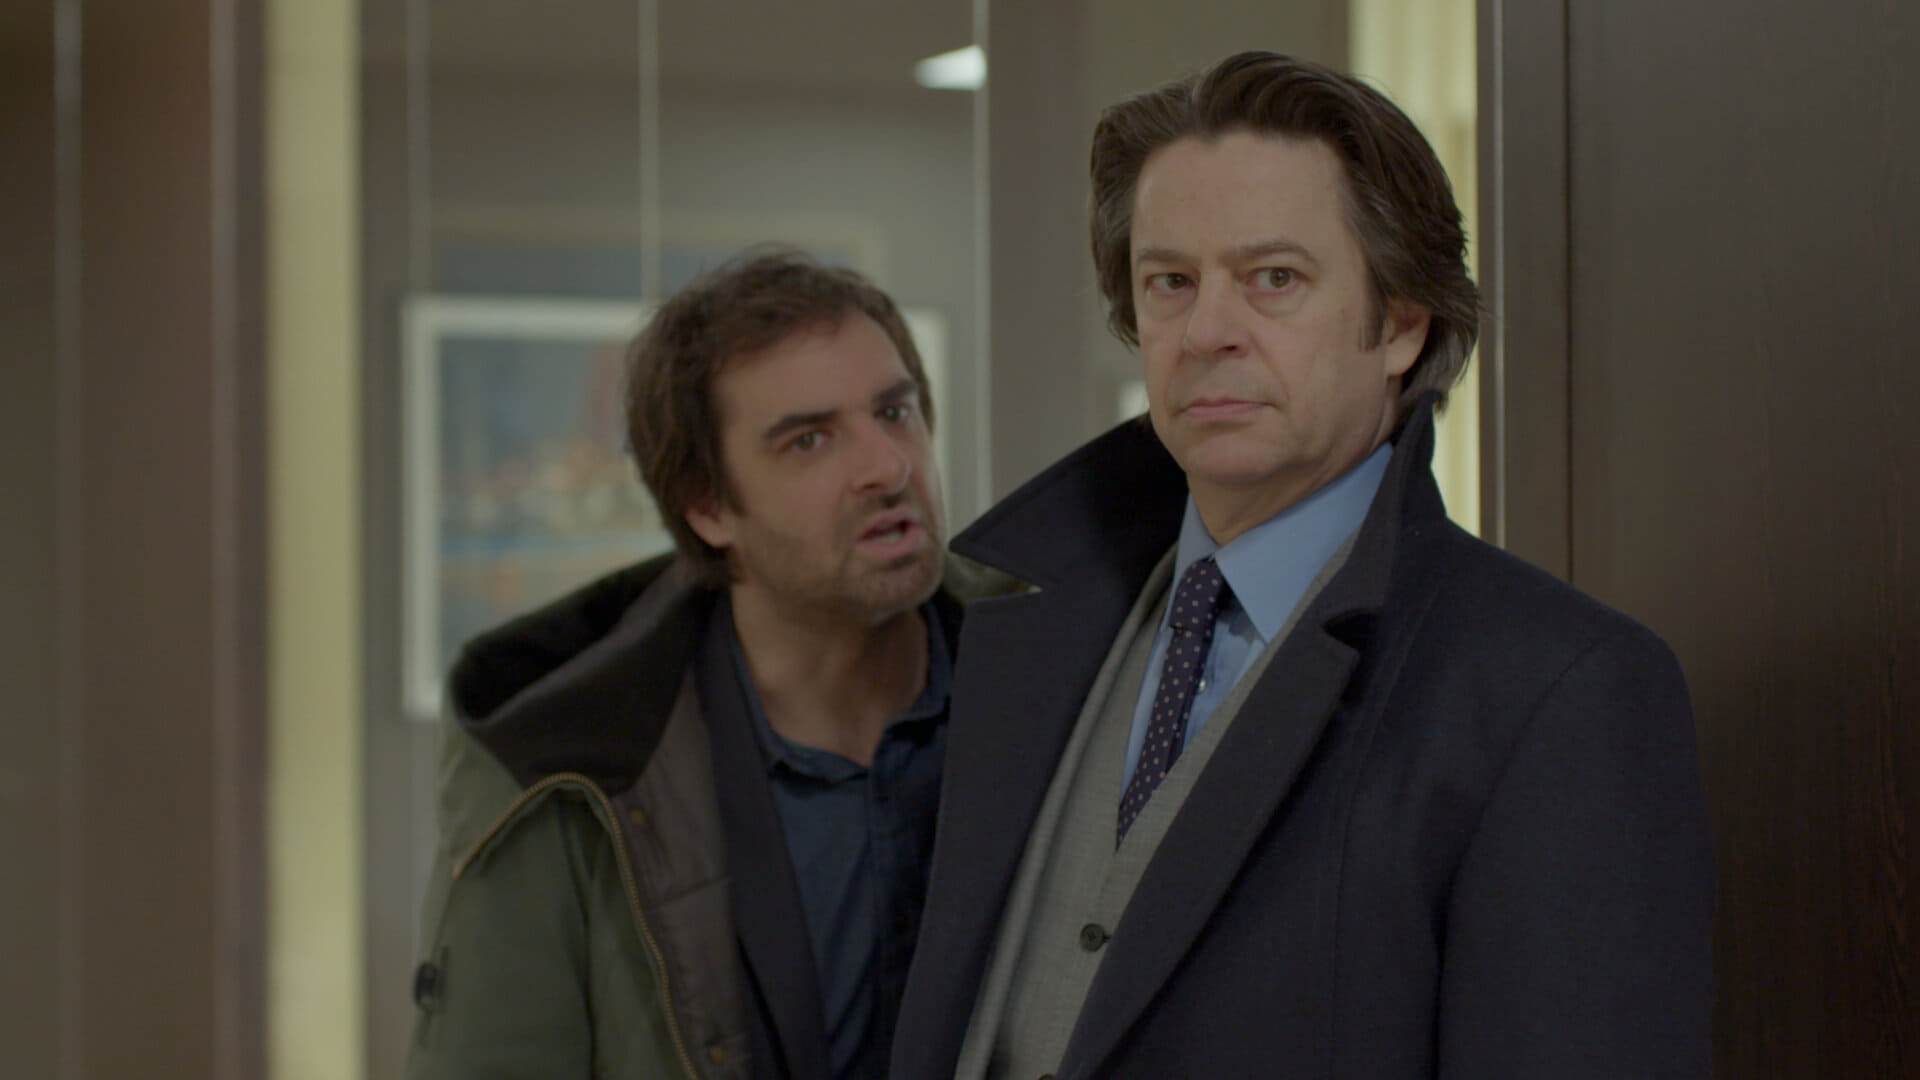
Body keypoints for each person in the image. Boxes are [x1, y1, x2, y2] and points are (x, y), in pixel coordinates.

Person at [893, 52, 1714, 1079]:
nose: (1207, 332)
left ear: (1401, 324)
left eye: (1273, 279)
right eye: (1171, 283)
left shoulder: (1556, 691)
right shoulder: (1025, 622)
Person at [407, 251, 1006, 1080]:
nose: (888, 466)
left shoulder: (1059, 680)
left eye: (893, 411)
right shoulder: (561, 775)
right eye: (810, 440)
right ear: (709, 506)